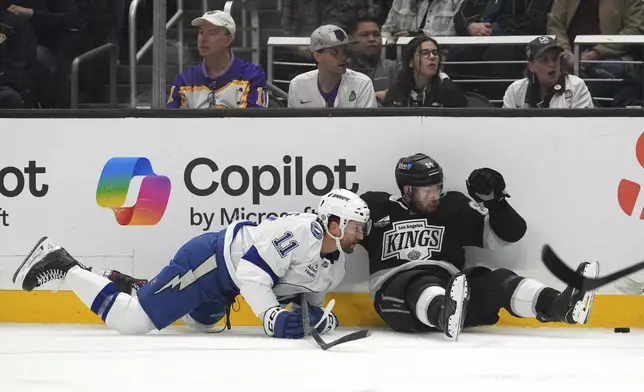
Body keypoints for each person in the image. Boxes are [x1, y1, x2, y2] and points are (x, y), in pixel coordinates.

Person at [12, 189, 372, 339]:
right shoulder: (296, 233)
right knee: (133, 322)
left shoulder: (335, 264)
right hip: (209, 263)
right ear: (334, 223)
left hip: (224, 285)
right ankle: (63, 264)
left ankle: (129, 284)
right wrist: (271, 317)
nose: (360, 234)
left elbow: (307, 301)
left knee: (202, 325)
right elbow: (251, 273)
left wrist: (321, 319)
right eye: (356, 227)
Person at [358, 153, 599, 341]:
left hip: (454, 292)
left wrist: (497, 203)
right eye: (426, 191)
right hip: (397, 298)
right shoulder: (376, 207)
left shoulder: (452, 205)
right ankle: (444, 311)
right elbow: (339, 229)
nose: (434, 195)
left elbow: (510, 234)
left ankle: (560, 306)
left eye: (437, 188)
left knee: (499, 280)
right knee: (419, 282)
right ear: (407, 191)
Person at [167, 10, 267, 109]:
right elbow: (171, 123)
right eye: (201, 32)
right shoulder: (184, 80)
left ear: (228, 40)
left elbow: (254, 122)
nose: (203, 39)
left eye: (211, 33)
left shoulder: (251, 76)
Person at [288, 24, 377, 108]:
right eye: (334, 52)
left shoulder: (362, 84)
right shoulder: (298, 84)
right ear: (317, 56)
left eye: (345, 51)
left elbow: (367, 123)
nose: (343, 57)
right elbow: (293, 123)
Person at [503, 36, 594, 109]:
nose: (552, 64)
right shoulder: (515, 90)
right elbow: (506, 127)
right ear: (531, 66)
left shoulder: (577, 86)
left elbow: (582, 126)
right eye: (544, 60)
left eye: (554, 59)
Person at [383, 36, 466, 107]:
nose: (432, 57)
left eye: (435, 53)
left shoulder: (448, 89)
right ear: (410, 62)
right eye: (425, 53)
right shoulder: (397, 89)